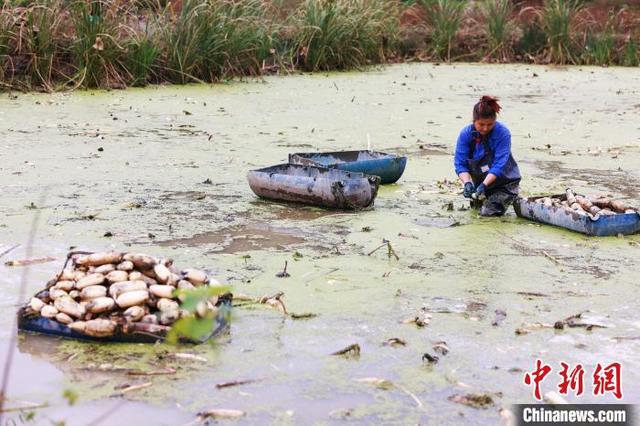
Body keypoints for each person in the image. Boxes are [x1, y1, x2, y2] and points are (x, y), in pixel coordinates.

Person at [453, 96, 521, 216]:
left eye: (490, 124)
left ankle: (511, 197)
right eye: (481, 124)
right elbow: (460, 164)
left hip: (504, 184)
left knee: (487, 213)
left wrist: (485, 184)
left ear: (495, 121)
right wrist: (467, 183)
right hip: (479, 185)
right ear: (474, 121)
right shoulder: (466, 135)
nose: (485, 128)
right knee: (475, 212)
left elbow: (499, 165)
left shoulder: (503, 133)